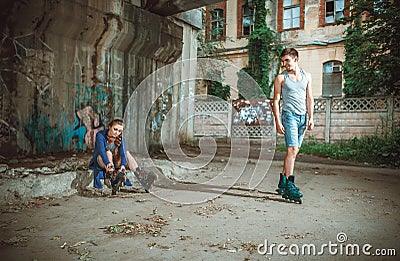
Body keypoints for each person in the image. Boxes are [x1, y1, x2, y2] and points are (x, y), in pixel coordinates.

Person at [272, 48, 314, 203]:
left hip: (303, 117)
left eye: (287, 60)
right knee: (292, 149)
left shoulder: (307, 76)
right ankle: (290, 185)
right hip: (289, 116)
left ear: (295, 59)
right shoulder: (281, 78)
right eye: (283, 61)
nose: (284, 64)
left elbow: (309, 98)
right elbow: (276, 101)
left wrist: (311, 117)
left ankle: (283, 180)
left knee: (293, 152)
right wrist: (277, 121)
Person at [89, 119, 136, 189]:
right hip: (102, 161)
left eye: (120, 131)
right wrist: (107, 163)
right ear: (109, 127)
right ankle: (112, 176)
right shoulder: (100, 135)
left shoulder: (119, 138)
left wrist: (123, 165)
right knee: (108, 152)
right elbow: (102, 152)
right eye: (115, 129)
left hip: (115, 163)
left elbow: (123, 153)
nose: (117, 133)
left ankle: (141, 176)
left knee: (127, 153)